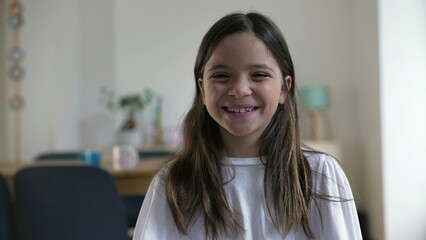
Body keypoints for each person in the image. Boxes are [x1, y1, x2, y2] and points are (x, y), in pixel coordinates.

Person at [133, 12, 362, 240]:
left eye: (259, 75)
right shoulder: (173, 183)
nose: (240, 89)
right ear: (202, 89)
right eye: (222, 75)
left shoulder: (320, 174)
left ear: (284, 88)